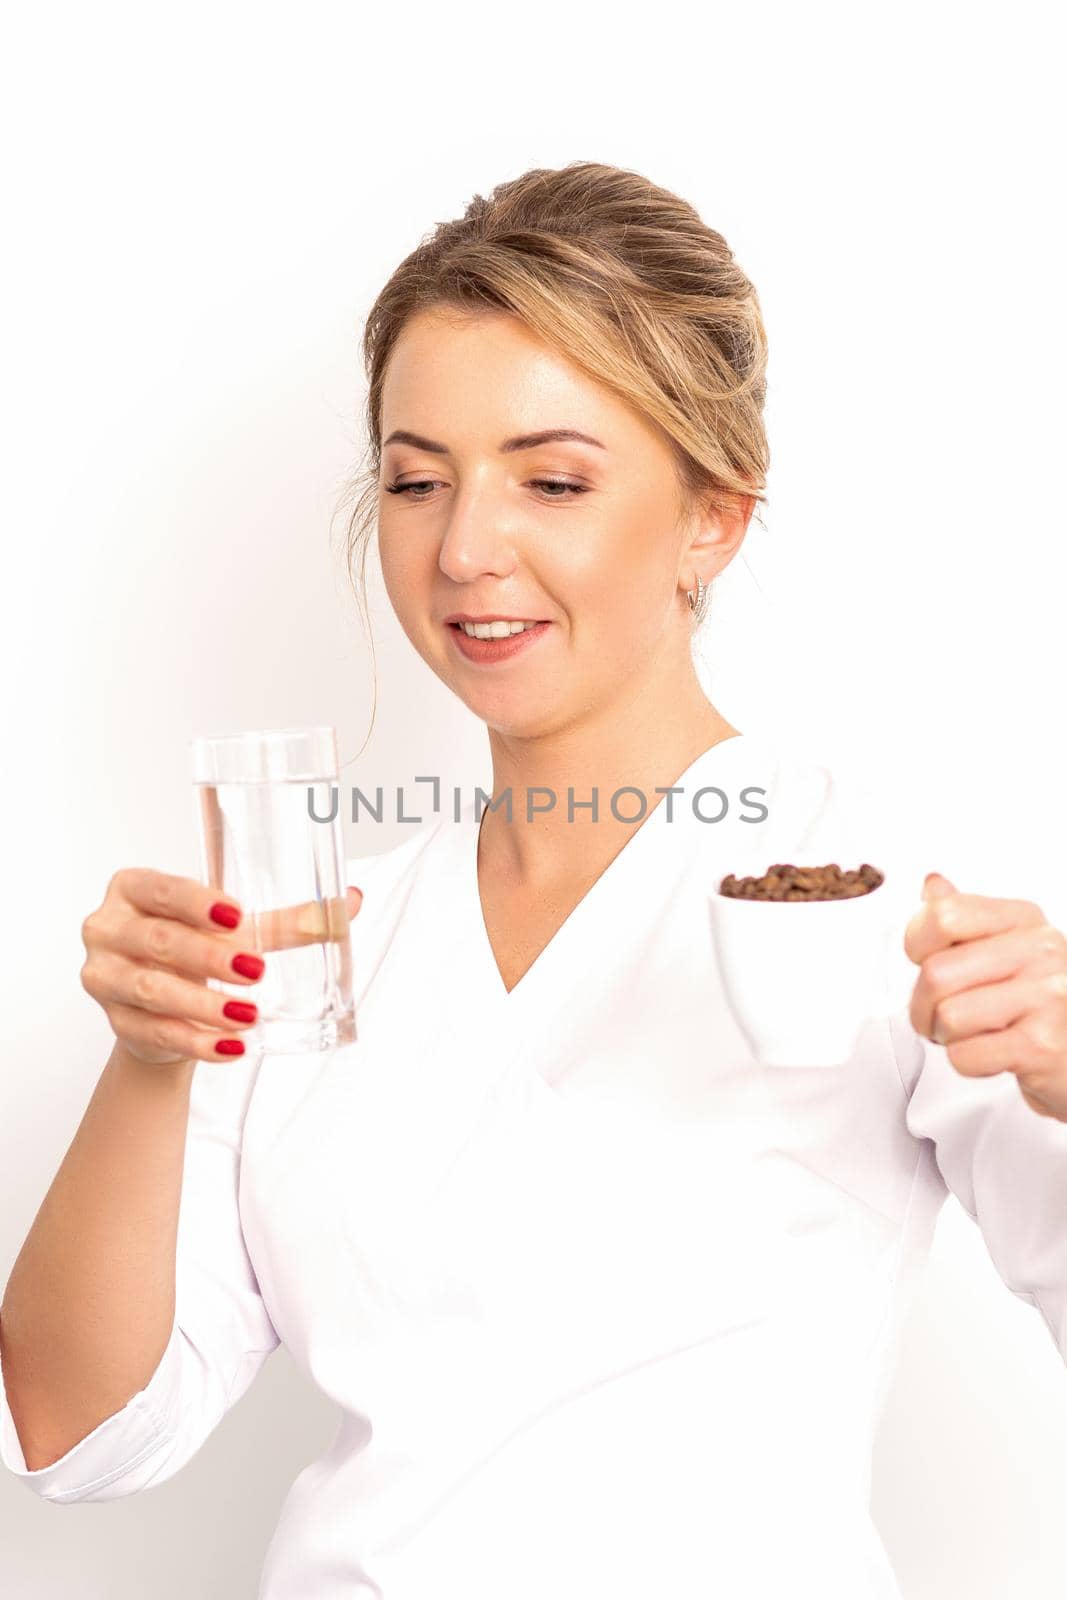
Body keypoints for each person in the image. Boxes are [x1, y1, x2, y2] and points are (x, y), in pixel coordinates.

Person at [3, 160, 1066, 1600]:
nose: (464, 550)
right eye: (414, 480)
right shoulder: (321, 936)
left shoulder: (878, 898)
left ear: (714, 515)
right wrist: (148, 1059)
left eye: (553, 480)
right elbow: (74, 1426)